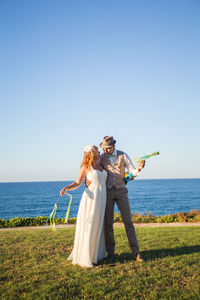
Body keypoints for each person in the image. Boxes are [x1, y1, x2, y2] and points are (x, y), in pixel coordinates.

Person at [98, 136, 145, 262]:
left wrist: (139, 168)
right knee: (108, 224)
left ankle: (136, 253)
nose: (105, 150)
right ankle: (110, 253)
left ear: (113, 146)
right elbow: (94, 170)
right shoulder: (101, 157)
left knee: (128, 222)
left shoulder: (123, 155)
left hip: (122, 192)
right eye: (103, 148)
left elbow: (132, 171)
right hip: (107, 192)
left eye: (107, 148)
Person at [60, 145, 107, 268]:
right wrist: (67, 188)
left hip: (102, 198)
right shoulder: (85, 167)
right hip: (91, 199)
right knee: (89, 225)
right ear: (91, 153)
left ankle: (95, 254)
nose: (99, 151)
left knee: (98, 224)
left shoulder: (101, 164)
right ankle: (87, 256)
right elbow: (78, 182)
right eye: (96, 150)